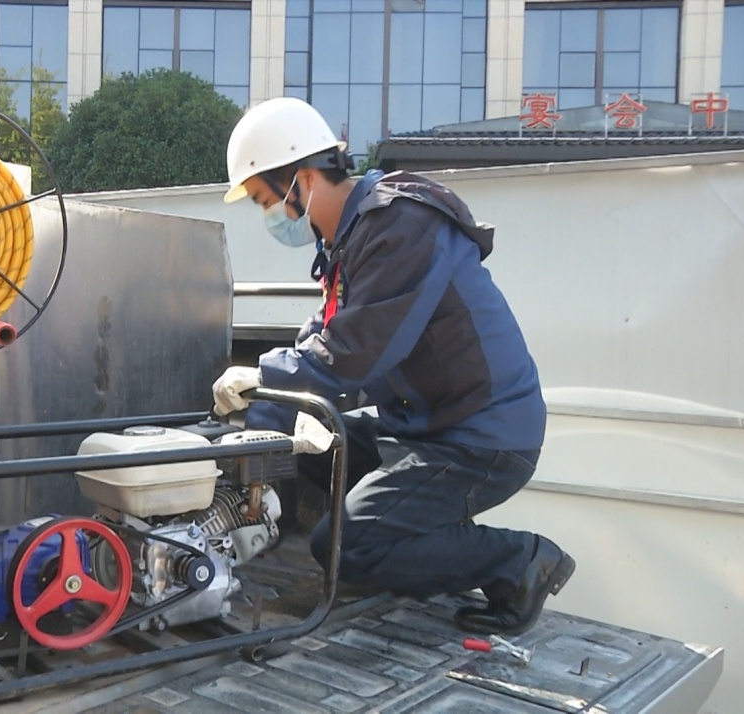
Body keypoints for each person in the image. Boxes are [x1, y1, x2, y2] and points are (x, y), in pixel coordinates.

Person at [211, 97, 574, 636]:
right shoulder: (352, 239)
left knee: (345, 545)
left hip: (482, 438)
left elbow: (355, 352)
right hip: (427, 424)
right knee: (313, 444)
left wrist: (265, 377)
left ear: (303, 179)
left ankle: (520, 562)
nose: (270, 216)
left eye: (267, 200)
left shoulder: (401, 225)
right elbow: (324, 335)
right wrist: (262, 427)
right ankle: (411, 534)